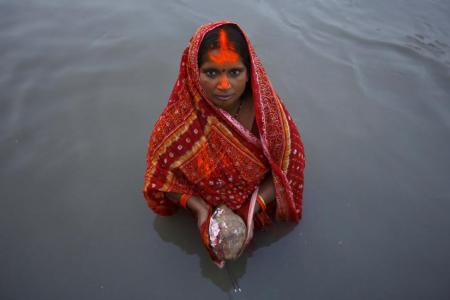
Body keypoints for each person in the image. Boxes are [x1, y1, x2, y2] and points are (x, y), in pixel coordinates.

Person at [143, 21, 305, 267]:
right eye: (211, 73)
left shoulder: (267, 116)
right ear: (193, 71)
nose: (224, 86)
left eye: (234, 72)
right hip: (204, 204)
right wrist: (200, 210)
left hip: (256, 202)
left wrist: (251, 211)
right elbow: (160, 178)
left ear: (249, 71)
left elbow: (287, 168)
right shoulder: (177, 121)